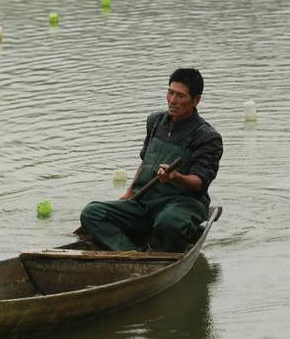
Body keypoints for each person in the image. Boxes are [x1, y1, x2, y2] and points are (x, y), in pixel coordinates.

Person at [79, 68, 223, 252]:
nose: (172, 100)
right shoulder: (155, 121)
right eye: (170, 92)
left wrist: (176, 177)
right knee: (92, 213)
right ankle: (131, 255)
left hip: (183, 204)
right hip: (145, 201)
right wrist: (130, 192)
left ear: (196, 100)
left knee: (169, 223)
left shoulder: (207, 137)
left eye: (180, 96)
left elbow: (200, 182)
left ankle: (171, 245)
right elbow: (145, 161)